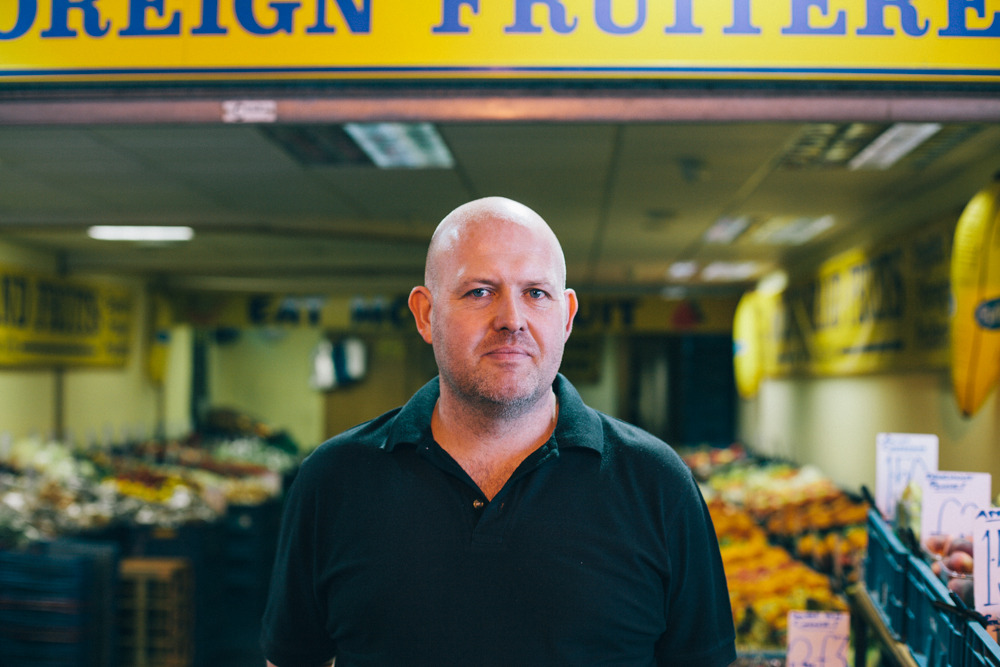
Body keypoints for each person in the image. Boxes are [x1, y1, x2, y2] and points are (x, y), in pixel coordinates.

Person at [260, 197, 737, 667]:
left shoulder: (656, 483)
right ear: (426, 314)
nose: (512, 319)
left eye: (536, 293)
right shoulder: (334, 479)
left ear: (567, 317)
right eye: (480, 292)